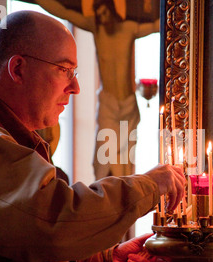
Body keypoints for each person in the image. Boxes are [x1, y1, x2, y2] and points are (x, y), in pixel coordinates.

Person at [0, 10, 185, 262]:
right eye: (65, 70)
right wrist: (150, 185)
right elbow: (52, 221)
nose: (75, 87)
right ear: (18, 69)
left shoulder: (12, 142)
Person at [35, 0, 159, 179]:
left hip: (127, 103)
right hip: (108, 103)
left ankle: (124, 199)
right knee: (104, 155)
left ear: (113, 11)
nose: (102, 18)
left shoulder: (129, 28)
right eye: (99, 14)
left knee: (125, 156)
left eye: (105, 13)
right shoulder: (96, 27)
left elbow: (156, 25)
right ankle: (106, 195)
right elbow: (64, 12)